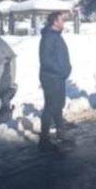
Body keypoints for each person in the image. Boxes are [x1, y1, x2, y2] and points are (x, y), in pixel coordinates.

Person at [38, 11, 73, 151]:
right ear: (55, 22)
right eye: (61, 20)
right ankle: (44, 139)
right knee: (50, 107)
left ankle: (61, 133)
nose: (63, 22)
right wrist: (61, 70)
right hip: (52, 77)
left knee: (58, 105)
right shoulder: (48, 37)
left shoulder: (55, 36)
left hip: (57, 77)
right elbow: (46, 60)